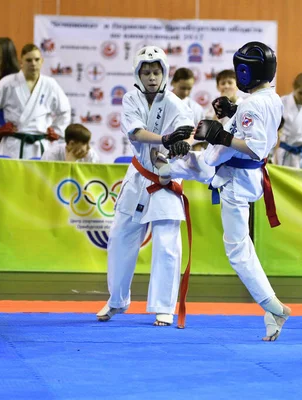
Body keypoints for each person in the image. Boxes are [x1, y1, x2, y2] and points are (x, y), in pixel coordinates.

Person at [160, 41, 292, 341]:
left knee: (237, 249)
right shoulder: (271, 98)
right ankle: (164, 170)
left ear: (249, 72)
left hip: (235, 178)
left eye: (240, 70)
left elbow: (255, 145)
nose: (238, 74)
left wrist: (223, 134)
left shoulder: (253, 104)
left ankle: (272, 306)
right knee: (193, 164)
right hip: (236, 172)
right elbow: (256, 130)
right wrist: (231, 113)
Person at [95, 46, 196, 327]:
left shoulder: (177, 104)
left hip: (166, 178)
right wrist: (165, 139)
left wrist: (179, 146)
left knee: (166, 245)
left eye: (156, 71)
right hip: (139, 177)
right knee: (119, 237)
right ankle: (117, 299)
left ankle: (164, 307)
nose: (152, 77)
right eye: (146, 72)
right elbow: (136, 132)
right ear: (138, 74)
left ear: (164, 73)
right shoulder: (130, 99)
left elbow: (187, 134)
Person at [0, 44, 71, 159]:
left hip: (40, 144)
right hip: (14, 145)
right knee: (10, 176)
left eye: (37, 59)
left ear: (42, 61)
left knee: (39, 177)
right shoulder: (9, 82)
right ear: (21, 62)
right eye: (29, 60)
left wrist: (57, 131)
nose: (33, 63)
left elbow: (65, 110)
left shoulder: (50, 84)